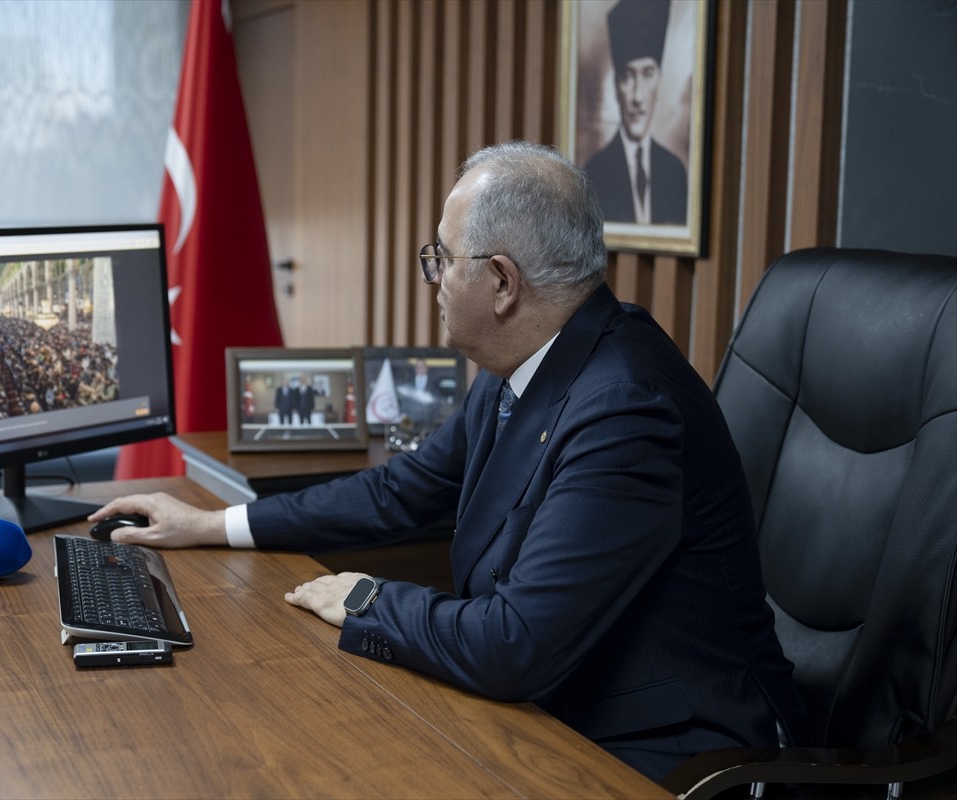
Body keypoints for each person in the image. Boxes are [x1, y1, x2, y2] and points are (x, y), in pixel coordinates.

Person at [90, 140, 803, 781]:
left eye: (440, 257)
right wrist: (212, 526)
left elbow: (514, 643)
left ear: (501, 282)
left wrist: (370, 599)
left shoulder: (627, 409)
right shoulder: (525, 360)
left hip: (663, 747)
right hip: (560, 697)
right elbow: (400, 492)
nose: (432, 277)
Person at [583, 0, 688, 225]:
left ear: (659, 81)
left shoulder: (674, 171)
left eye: (647, 74)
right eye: (628, 77)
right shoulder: (595, 173)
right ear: (615, 86)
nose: (638, 97)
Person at [396, 359, 441, 429]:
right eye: (418, 367)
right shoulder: (409, 382)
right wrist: (404, 416)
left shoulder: (433, 383)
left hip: (428, 419)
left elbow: (436, 401)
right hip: (411, 419)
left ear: (426, 368)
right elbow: (405, 400)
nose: (420, 369)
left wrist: (434, 417)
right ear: (415, 369)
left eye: (422, 367)